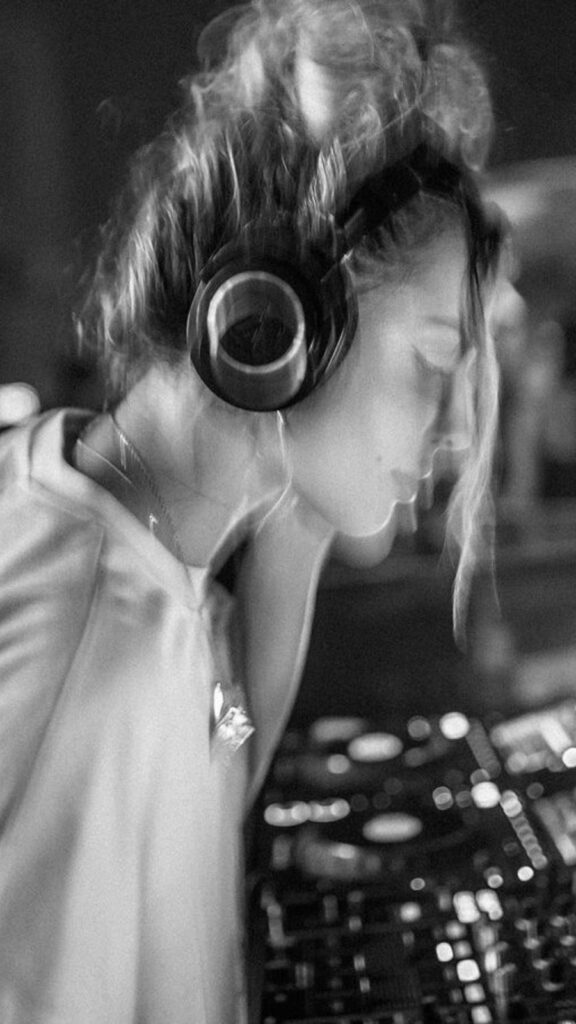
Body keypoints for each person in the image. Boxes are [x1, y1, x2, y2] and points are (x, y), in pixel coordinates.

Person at [0, 1, 504, 1021]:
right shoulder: (90, 673)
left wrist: (304, 524)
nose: (455, 430)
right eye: (431, 361)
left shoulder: (139, 538)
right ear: (281, 322)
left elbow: (218, 749)